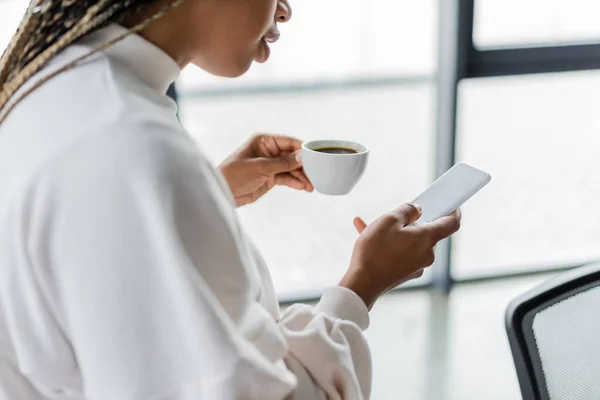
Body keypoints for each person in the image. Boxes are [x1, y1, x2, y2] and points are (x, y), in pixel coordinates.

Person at [0, 1, 461, 399]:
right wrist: (362, 284)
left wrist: (207, 196)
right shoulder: (134, 149)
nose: (284, 9)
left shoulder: (50, 84)